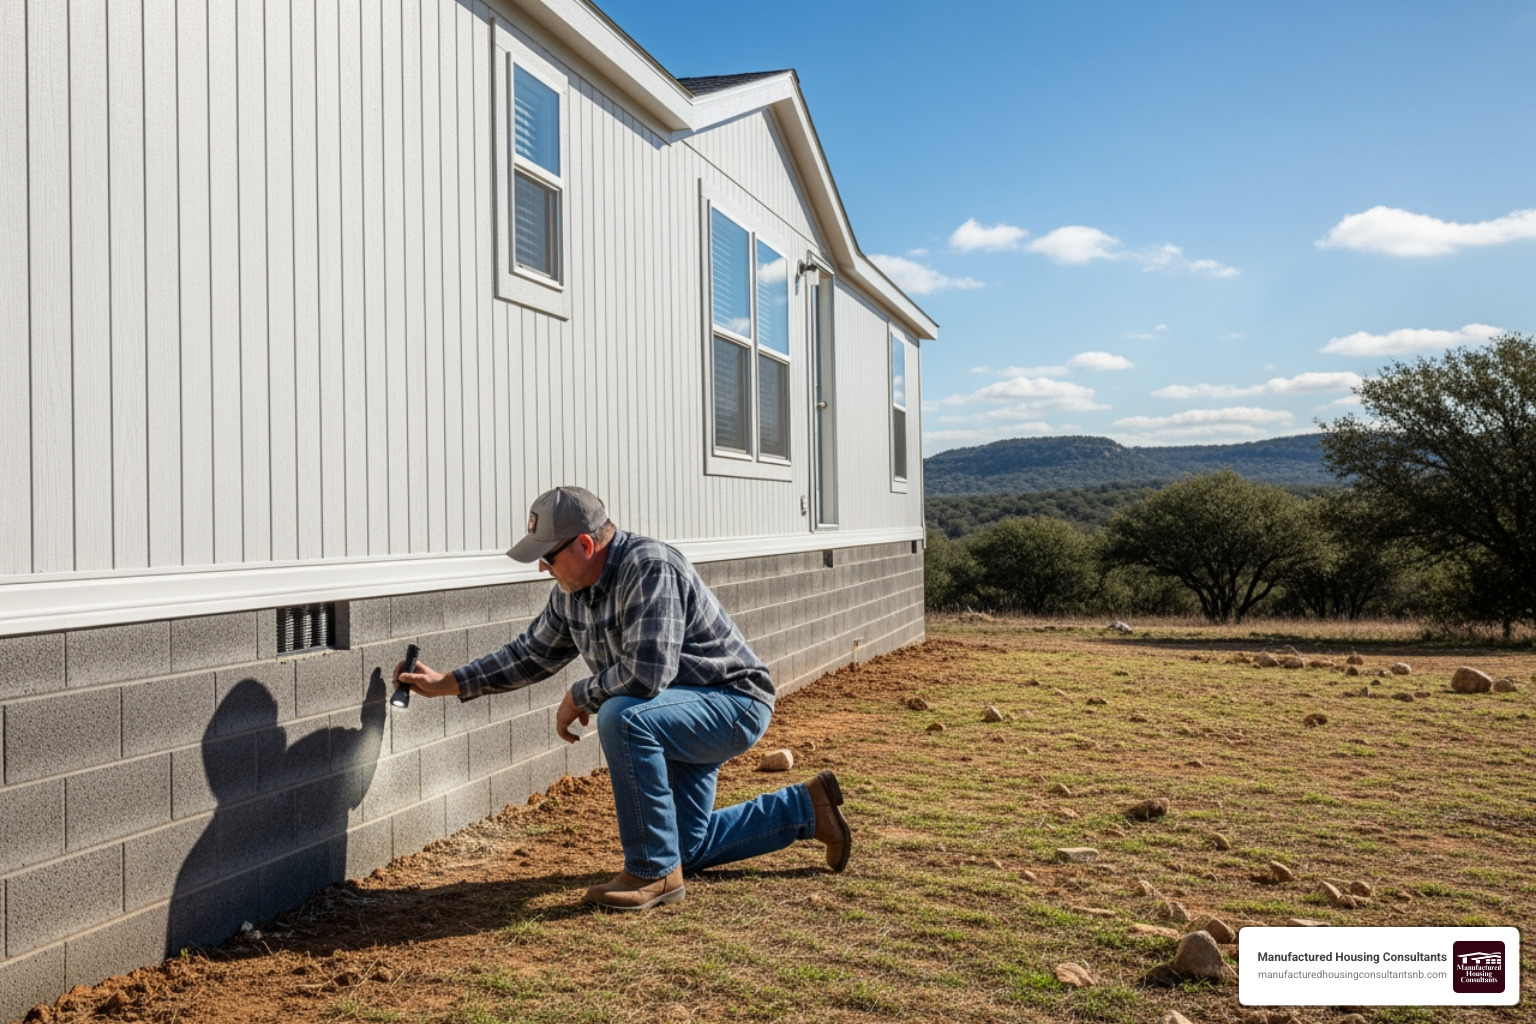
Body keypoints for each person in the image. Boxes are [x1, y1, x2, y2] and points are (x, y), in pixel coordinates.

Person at [396, 485, 850, 910]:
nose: (542, 568)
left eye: (547, 557)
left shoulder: (649, 567)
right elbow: (529, 655)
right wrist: (448, 682)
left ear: (585, 546)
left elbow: (647, 674)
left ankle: (651, 874)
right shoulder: (571, 593)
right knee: (685, 849)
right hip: (676, 711)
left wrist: (580, 695)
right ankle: (807, 808)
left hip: (732, 703)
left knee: (622, 715)